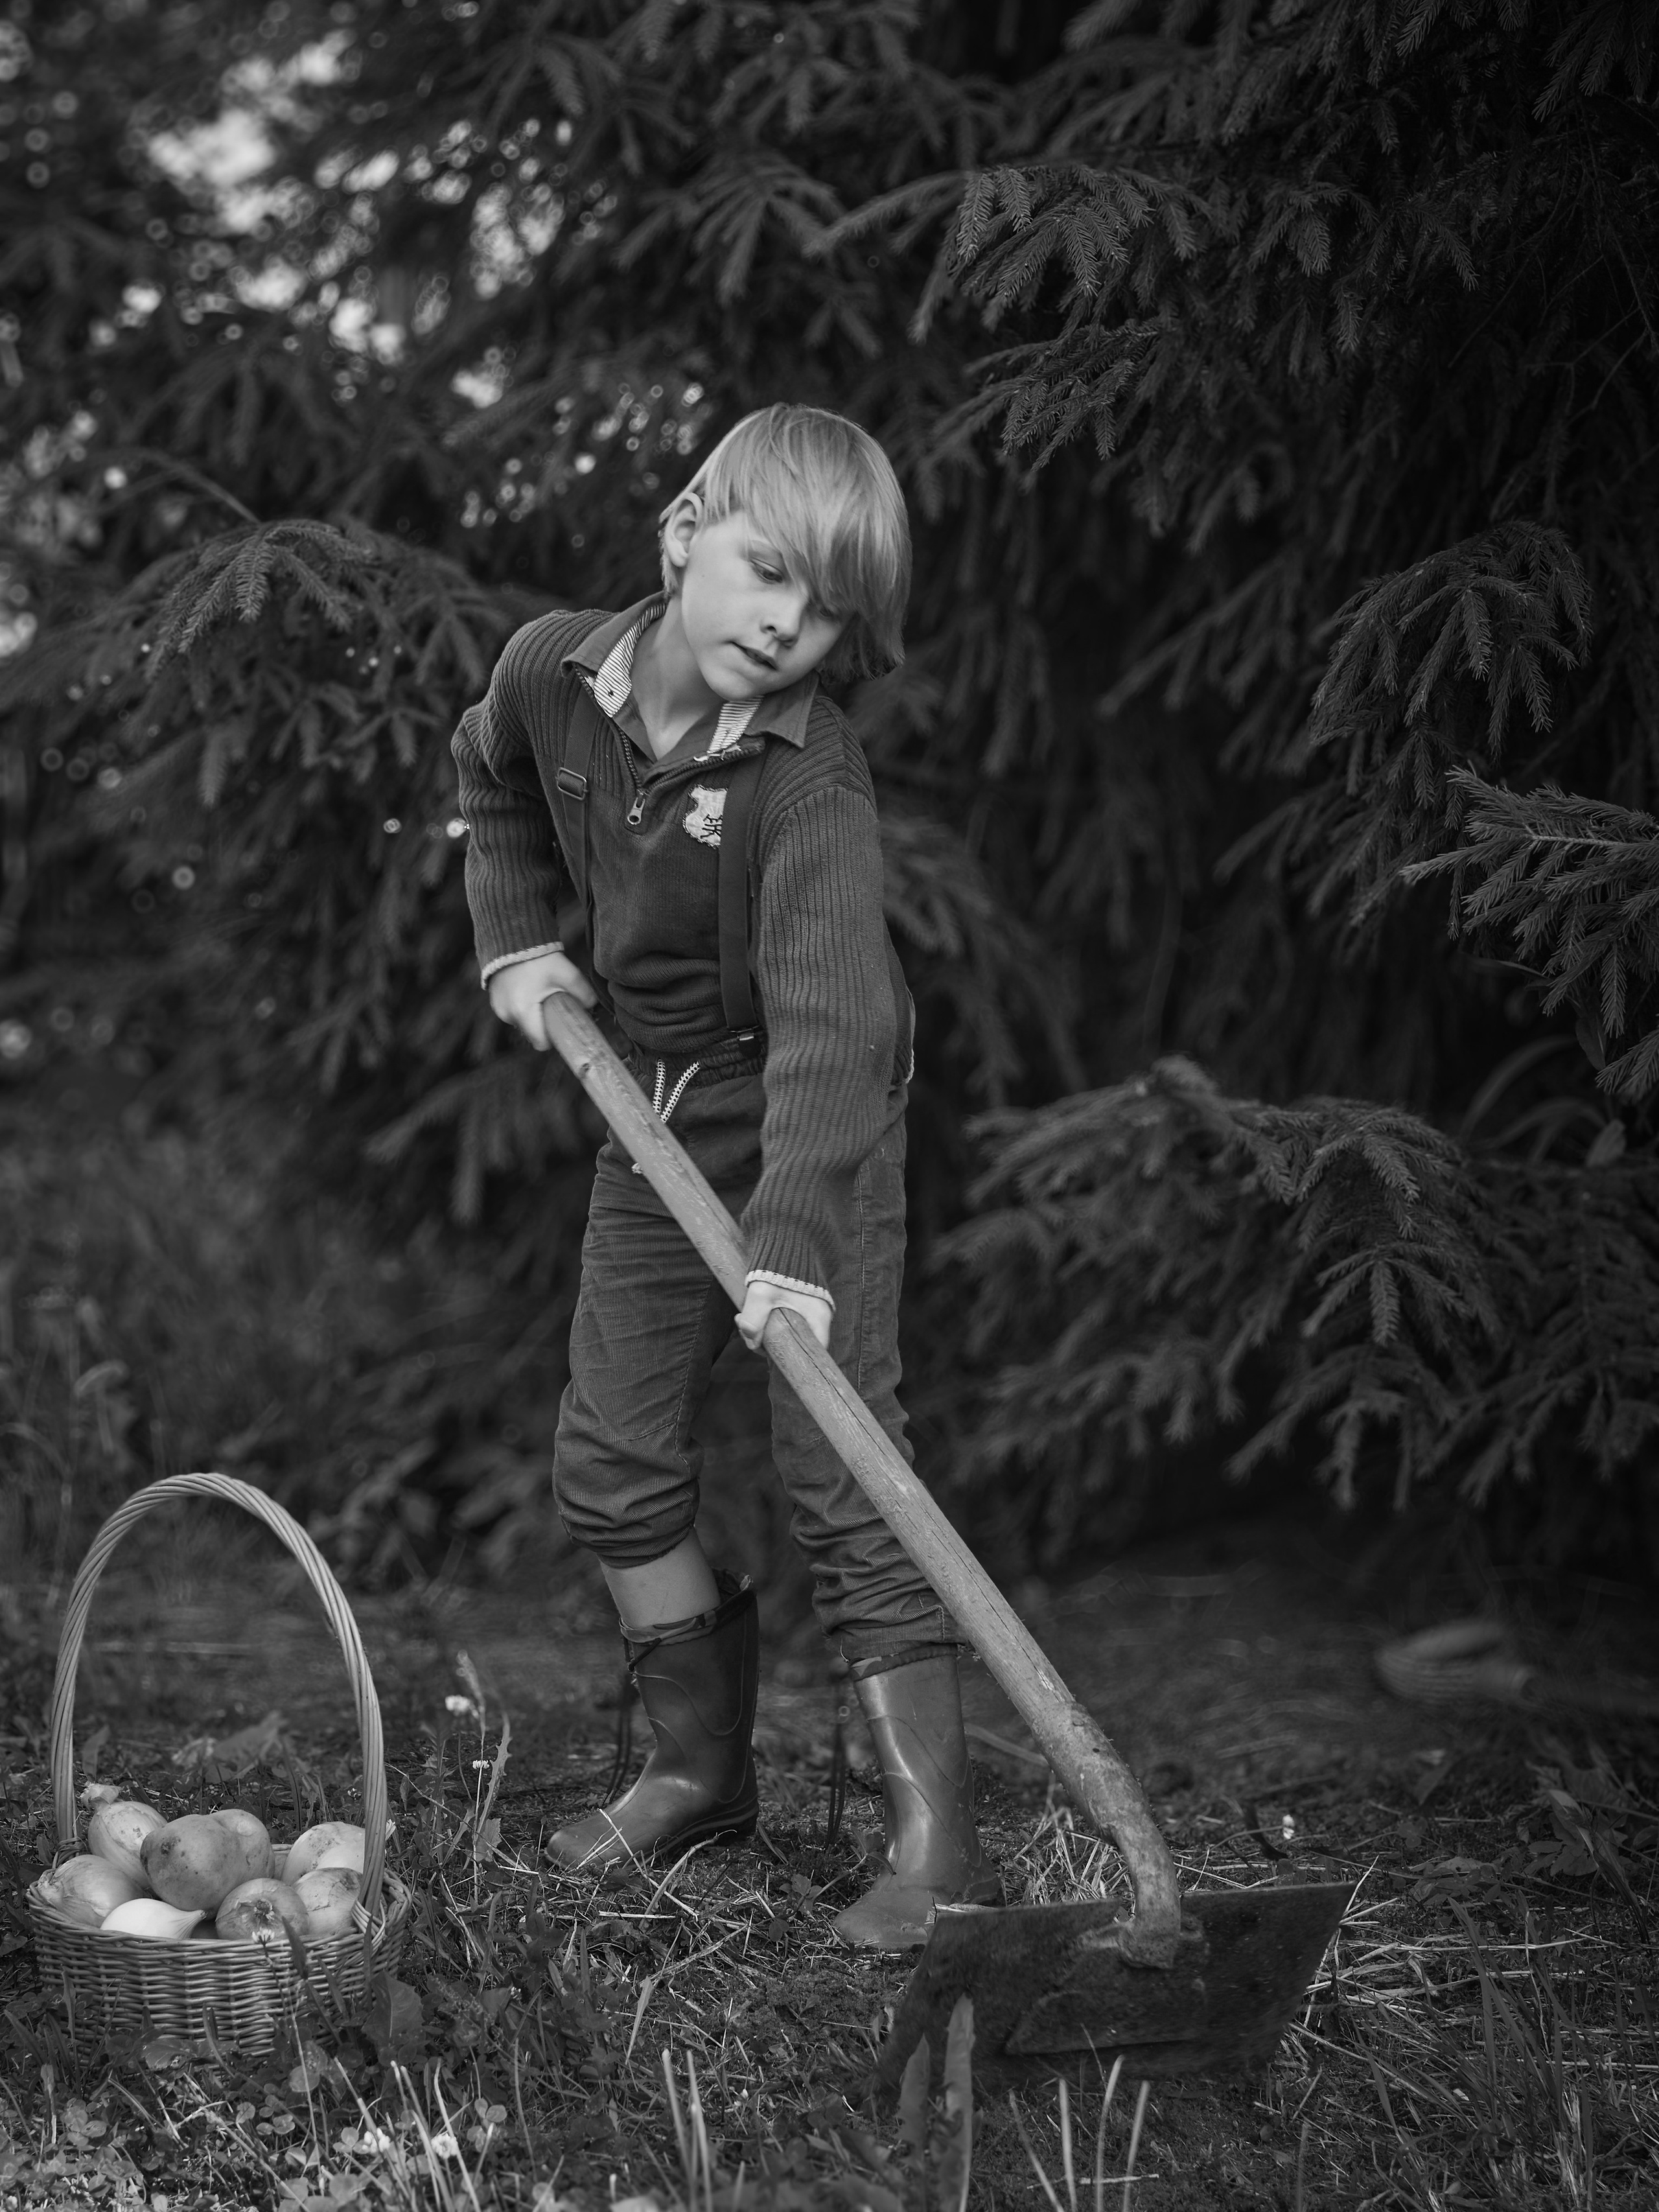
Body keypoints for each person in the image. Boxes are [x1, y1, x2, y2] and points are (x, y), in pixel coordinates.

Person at [450, 403, 999, 1949]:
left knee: (837, 1456)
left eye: (822, 609)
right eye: (767, 572)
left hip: (814, 1121)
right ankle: (696, 1776)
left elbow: (838, 1030)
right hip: (657, 1108)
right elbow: (489, 774)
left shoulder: (804, 779)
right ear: (686, 530)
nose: (783, 624)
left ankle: (936, 1844)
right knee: (610, 1453)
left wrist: (793, 1245)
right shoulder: (550, 676)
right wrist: (516, 938)